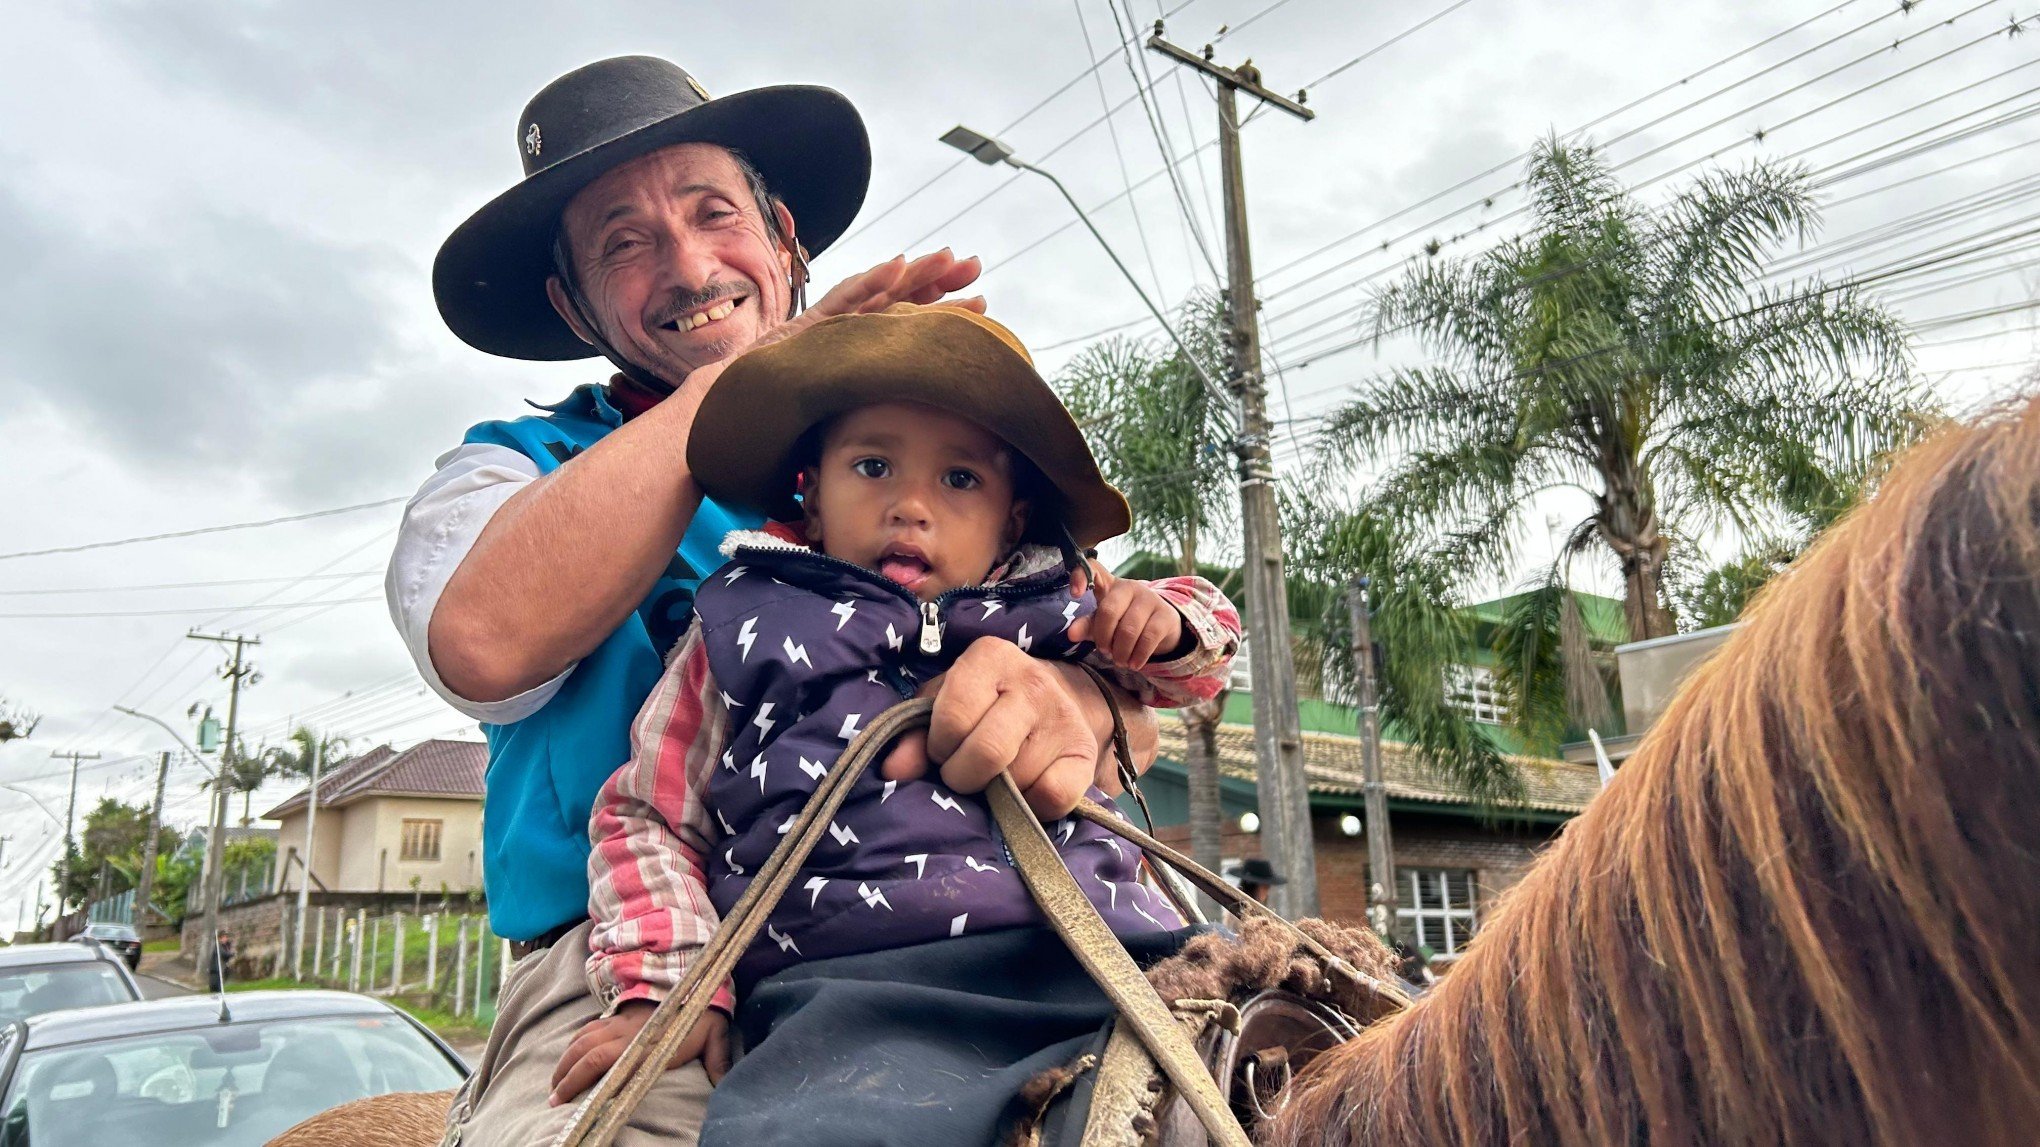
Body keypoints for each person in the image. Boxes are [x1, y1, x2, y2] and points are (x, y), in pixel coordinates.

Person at [391, 56, 1170, 1145]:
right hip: (631, 976)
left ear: (786, 239)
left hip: (985, 927)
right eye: (624, 242)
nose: (688, 264)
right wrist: (755, 379)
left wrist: (1074, 701)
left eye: (714, 215)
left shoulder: (925, 457)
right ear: (571, 303)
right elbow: (484, 637)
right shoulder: (505, 474)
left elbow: (1135, 687)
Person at [552, 304, 1240, 1144]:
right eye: (873, 465)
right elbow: (648, 814)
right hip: (846, 992)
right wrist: (668, 985)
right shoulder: (736, 628)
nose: (912, 505)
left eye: (960, 480)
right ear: (809, 496)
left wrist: (1161, 620)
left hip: (1109, 951)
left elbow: (1200, 668)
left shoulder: (1064, 607)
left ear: (1012, 522)